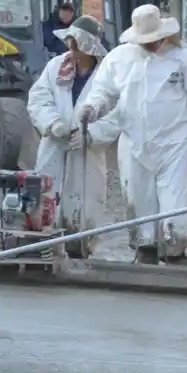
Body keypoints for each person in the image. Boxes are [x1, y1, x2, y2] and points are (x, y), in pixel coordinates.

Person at [77, 4, 187, 265]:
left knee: (177, 206)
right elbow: (103, 92)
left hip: (176, 144)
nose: (151, 45)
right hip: (134, 143)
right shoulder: (119, 58)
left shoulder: (185, 57)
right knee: (139, 202)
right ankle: (145, 249)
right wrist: (92, 108)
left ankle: (176, 252)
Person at [26, 14, 117, 257]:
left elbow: (118, 114)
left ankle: (81, 251)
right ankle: (46, 251)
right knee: (47, 202)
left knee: (85, 205)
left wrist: (92, 135)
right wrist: (53, 123)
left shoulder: (107, 74)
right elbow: (39, 99)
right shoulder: (55, 66)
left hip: (88, 156)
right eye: (70, 42)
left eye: (77, 44)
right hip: (54, 148)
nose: (72, 49)